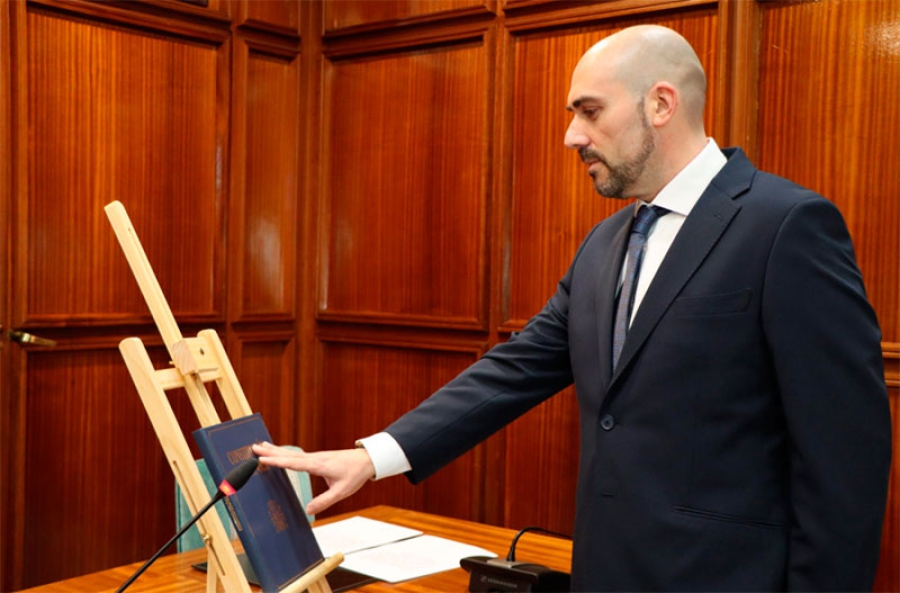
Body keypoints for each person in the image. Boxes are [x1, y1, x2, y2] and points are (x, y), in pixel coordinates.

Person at [254, 25, 892, 591]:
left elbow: (845, 461)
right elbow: (515, 369)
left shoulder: (787, 226)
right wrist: (372, 457)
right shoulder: (605, 243)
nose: (571, 136)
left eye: (590, 111)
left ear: (661, 104)